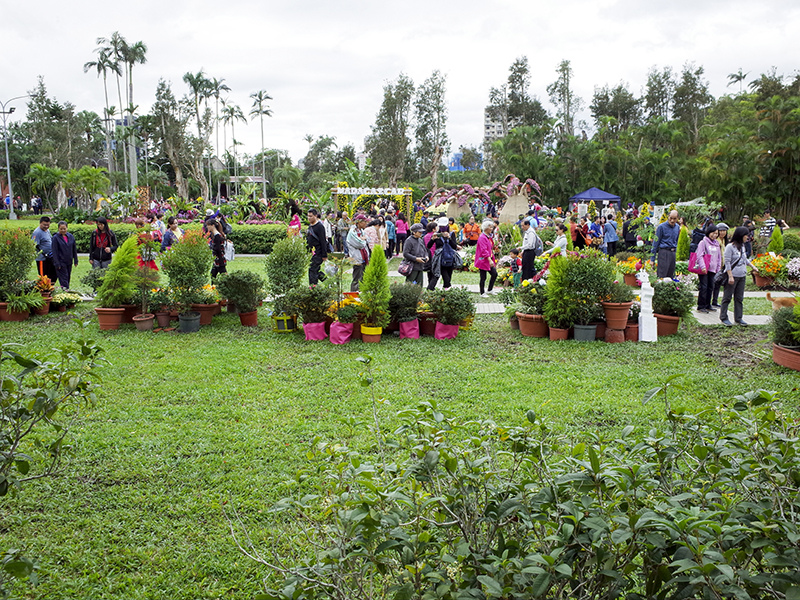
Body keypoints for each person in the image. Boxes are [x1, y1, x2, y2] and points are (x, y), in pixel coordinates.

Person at [720, 226, 758, 326]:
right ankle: (724, 317)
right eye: (746, 236)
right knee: (727, 297)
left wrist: (753, 267)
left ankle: (738, 318)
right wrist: (730, 276)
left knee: (739, 298)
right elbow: (727, 262)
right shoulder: (730, 247)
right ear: (741, 236)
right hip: (733, 276)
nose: (747, 238)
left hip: (742, 275)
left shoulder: (742, 246)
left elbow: (745, 259)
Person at [426, 217, 460, 290]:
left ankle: (445, 291)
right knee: (444, 277)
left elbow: (454, 246)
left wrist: (449, 238)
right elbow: (428, 246)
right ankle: (431, 289)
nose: (442, 228)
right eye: (441, 226)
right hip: (440, 258)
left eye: (444, 226)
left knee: (448, 276)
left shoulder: (451, 234)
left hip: (450, 257)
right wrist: (432, 239)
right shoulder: (437, 235)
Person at [695, 224, 721, 313]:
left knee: (711, 287)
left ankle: (708, 304)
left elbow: (719, 256)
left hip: (712, 269)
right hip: (704, 269)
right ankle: (701, 305)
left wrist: (718, 267)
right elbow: (699, 255)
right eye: (713, 233)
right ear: (709, 233)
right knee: (704, 287)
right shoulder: (703, 242)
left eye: (716, 233)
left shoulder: (717, 244)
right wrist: (703, 266)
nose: (715, 235)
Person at [652, 210, 680, 278]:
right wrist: (652, 259)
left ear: (677, 218)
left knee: (670, 275)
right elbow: (655, 243)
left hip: (672, 253)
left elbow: (676, 240)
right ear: (668, 216)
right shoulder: (661, 227)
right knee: (662, 275)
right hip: (664, 252)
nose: (672, 220)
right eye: (671, 218)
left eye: (674, 218)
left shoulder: (677, 227)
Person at [51, 221, 78, 289]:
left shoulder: (71, 236)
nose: (63, 230)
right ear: (58, 229)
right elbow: (54, 251)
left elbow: (74, 249)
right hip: (60, 261)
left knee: (68, 276)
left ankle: (66, 290)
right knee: (63, 278)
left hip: (69, 260)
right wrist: (57, 263)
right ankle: (66, 291)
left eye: (64, 229)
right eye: (61, 229)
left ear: (67, 228)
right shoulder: (55, 238)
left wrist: (75, 260)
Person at [346, 215, 370, 291]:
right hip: (357, 259)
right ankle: (353, 295)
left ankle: (361, 294)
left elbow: (368, 239)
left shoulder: (361, 231)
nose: (366, 223)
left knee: (363, 278)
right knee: (357, 278)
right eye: (365, 221)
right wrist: (363, 239)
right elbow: (360, 244)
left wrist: (363, 239)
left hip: (363, 258)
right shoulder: (352, 232)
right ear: (359, 222)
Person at [476, 220, 498, 297]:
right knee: (483, 277)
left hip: (489, 258)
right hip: (483, 260)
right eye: (490, 227)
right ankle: (482, 292)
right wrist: (489, 259)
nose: (491, 228)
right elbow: (483, 250)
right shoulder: (482, 237)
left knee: (494, 274)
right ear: (486, 228)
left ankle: (490, 289)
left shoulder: (488, 237)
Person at [306, 209, 328, 285]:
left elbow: (323, 241)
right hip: (311, 253)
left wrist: (324, 255)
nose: (309, 218)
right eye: (308, 216)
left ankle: (313, 286)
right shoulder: (310, 226)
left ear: (315, 216)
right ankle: (327, 282)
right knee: (315, 271)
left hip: (318, 253)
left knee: (312, 270)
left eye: (311, 216)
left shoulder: (320, 227)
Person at [32, 216, 57, 281]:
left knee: (52, 275)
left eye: (48, 225)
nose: (46, 226)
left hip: (49, 257)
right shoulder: (37, 232)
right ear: (40, 223)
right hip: (42, 259)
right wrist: (43, 254)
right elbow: (34, 245)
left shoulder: (47, 230)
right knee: (43, 277)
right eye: (44, 225)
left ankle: (51, 288)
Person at [710, 223, 729, 308]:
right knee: (712, 284)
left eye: (724, 231)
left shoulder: (725, 241)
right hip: (715, 265)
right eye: (720, 231)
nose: (722, 233)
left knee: (718, 284)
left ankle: (715, 300)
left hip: (723, 265)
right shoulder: (715, 241)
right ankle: (709, 301)